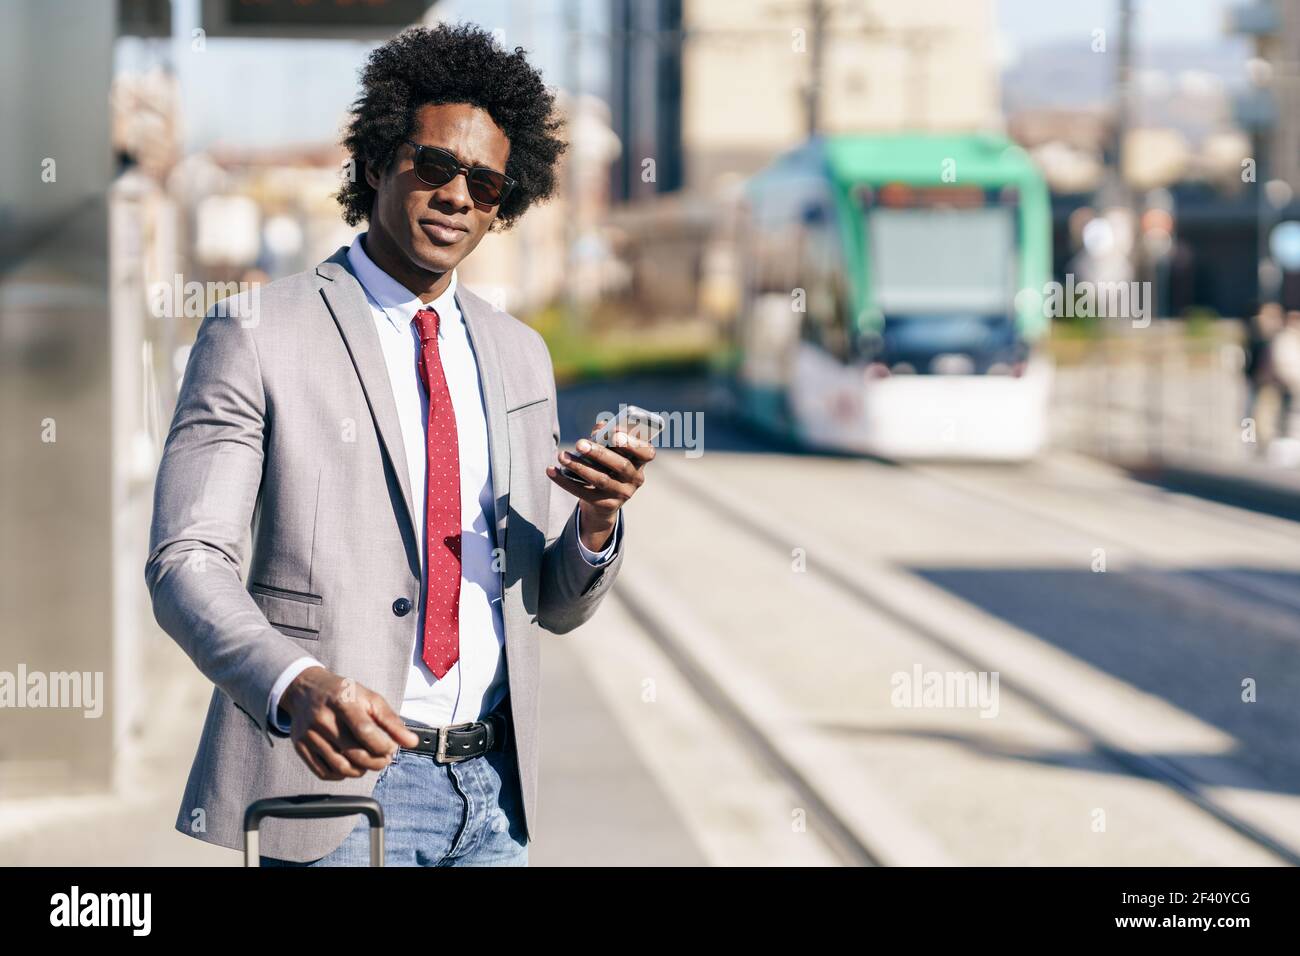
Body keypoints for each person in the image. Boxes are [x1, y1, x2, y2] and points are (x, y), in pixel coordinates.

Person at [145, 23, 655, 866]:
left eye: (486, 183)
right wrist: (293, 685)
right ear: (379, 161)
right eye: (435, 166)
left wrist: (597, 522)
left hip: (494, 794)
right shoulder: (258, 332)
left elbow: (554, 607)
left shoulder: (519, 353)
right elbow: (185, 560)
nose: (458, 195)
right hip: (337, 795)